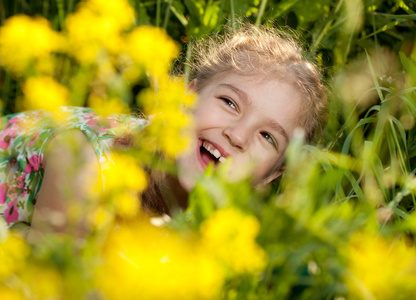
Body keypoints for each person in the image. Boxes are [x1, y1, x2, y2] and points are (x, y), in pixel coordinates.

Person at [0, 25, 327, 238]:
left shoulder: (226, 233)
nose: (238, 136)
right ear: (186, 98)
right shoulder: (86, 161)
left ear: (270, 176)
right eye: (229, 102)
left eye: (267, 137)